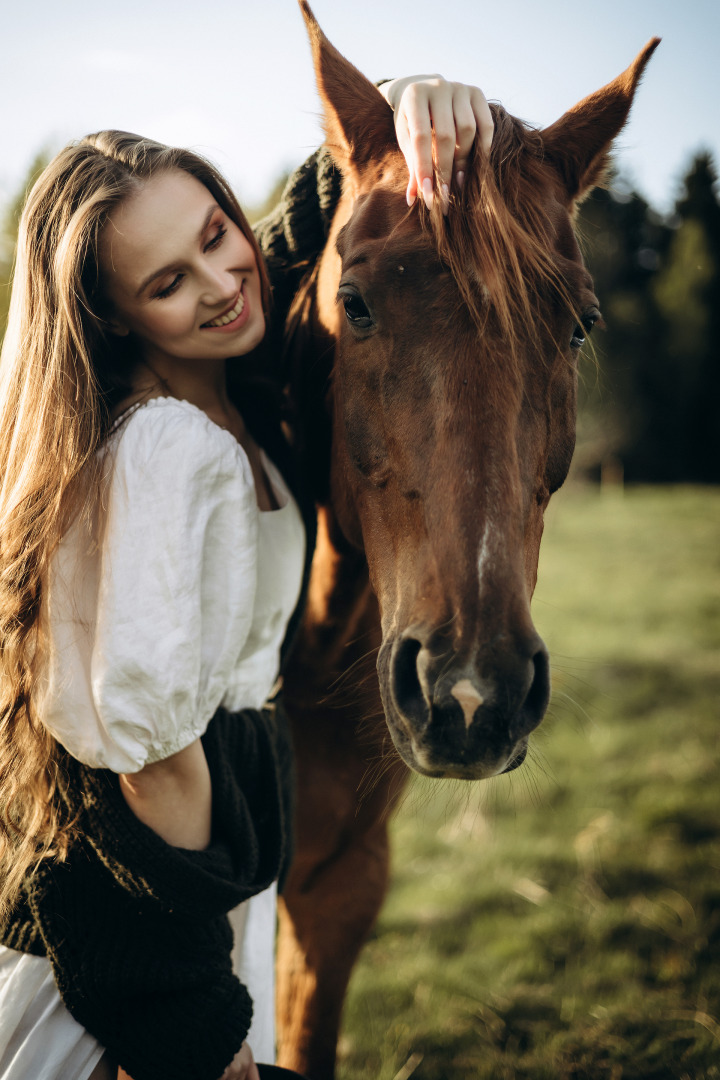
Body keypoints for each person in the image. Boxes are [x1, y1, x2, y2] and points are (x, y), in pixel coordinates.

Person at [0, 76, 493, 1080]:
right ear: (119, 320)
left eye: (216, 233)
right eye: (167, 284)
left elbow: (311, 223)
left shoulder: (231, 388)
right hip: (142, 921)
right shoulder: (170, 450)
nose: (223, 283)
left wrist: (404, 98)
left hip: (213, 871)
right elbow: (154, 758)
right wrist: (192, 1021)